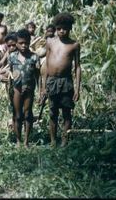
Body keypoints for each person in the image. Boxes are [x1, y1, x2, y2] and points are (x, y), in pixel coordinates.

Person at [43, 13, 81, 147]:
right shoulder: (50, 42)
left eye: (65, 28)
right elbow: (46, 65)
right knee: (53, 112)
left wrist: (77, 88)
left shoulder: (74, 45)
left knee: (66, 113)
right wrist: (43, 87)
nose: (61, 31)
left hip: (66, 82)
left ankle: (64, 141)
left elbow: (77, 67)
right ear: (55, 28)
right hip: (52, 81)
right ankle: (53, 141)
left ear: (70, 28)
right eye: (59, 29)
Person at [8, 29, 40, 148]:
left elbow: (38, 76)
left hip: (29, 89)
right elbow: (11, 72)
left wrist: (41, 90)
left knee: (28, 114)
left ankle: (26, 141)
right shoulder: (12, 57)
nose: (23, 45)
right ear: (16, 43)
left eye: (26, 43)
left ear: (29, 42)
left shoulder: (34, 57)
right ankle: (18, 141)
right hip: (16, 88)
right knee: (17, 115)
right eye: (21, 43)